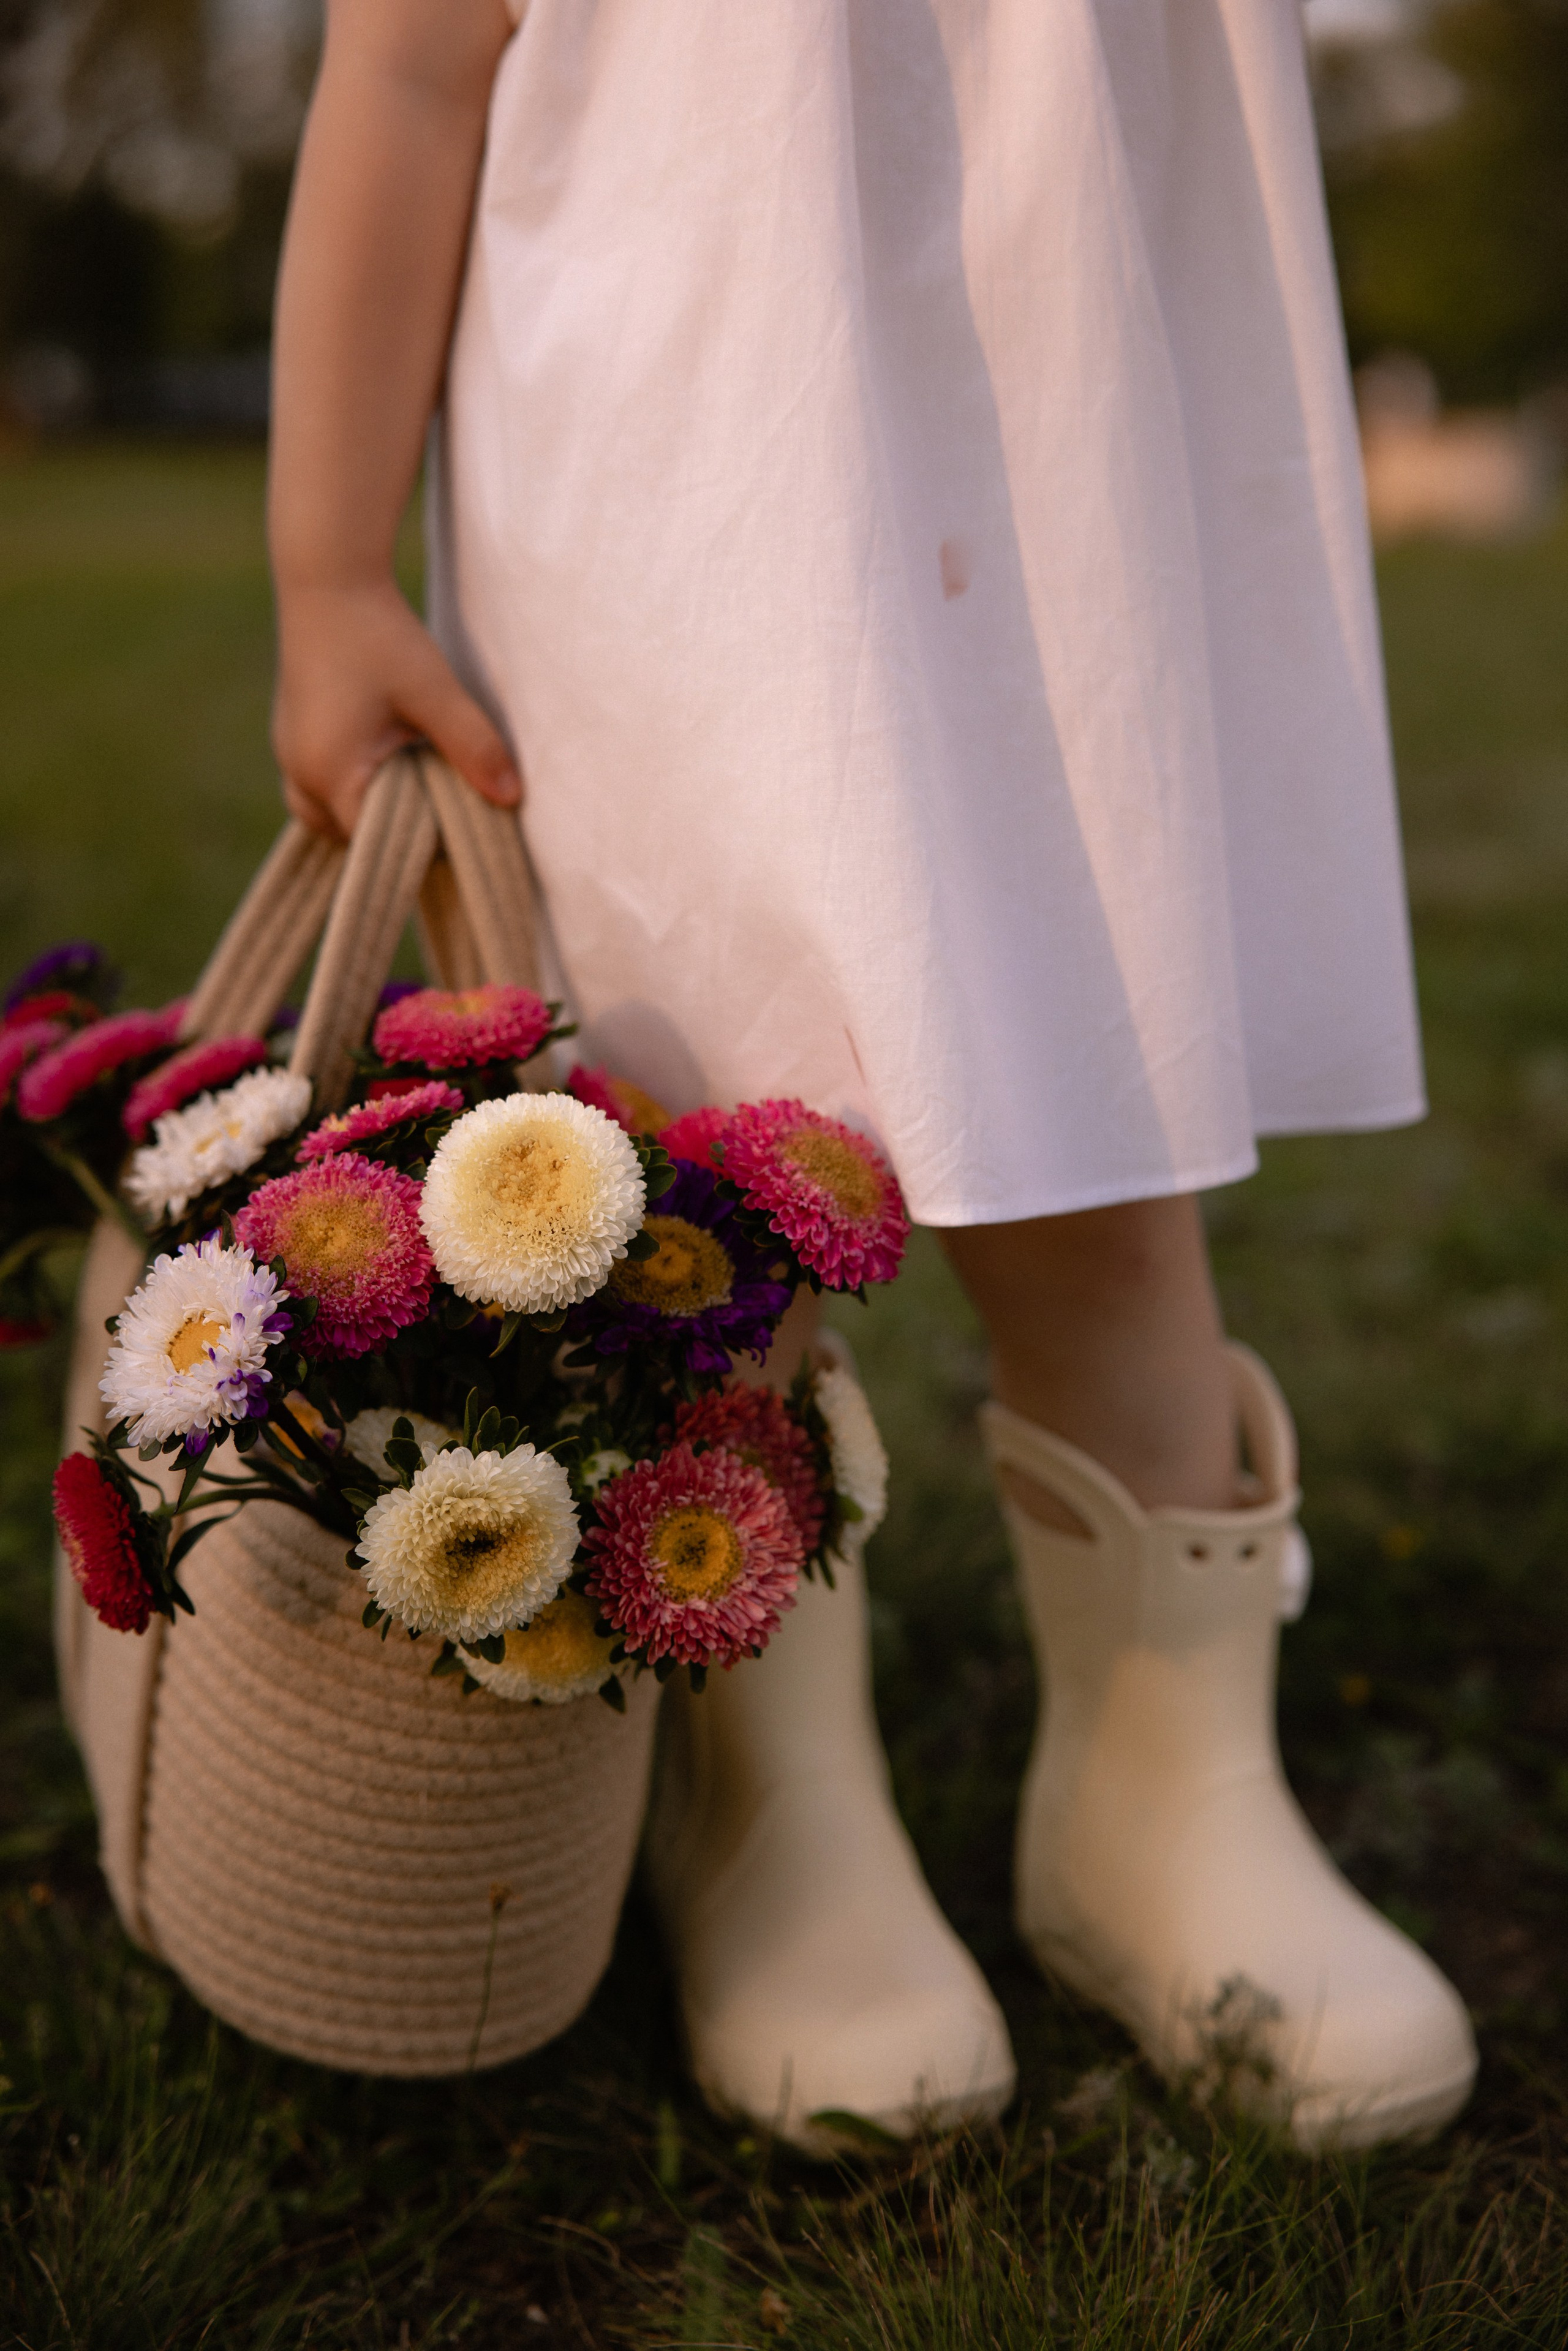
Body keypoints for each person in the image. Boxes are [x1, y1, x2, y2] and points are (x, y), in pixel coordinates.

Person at [268, 0, 1477, 2149]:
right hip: (686, 442)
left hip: (1075, 421)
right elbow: (410, 64)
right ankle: (769, 1799)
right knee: (705, 1166)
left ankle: (1162, 1801)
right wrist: (332, 567)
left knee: (1097, 1119)